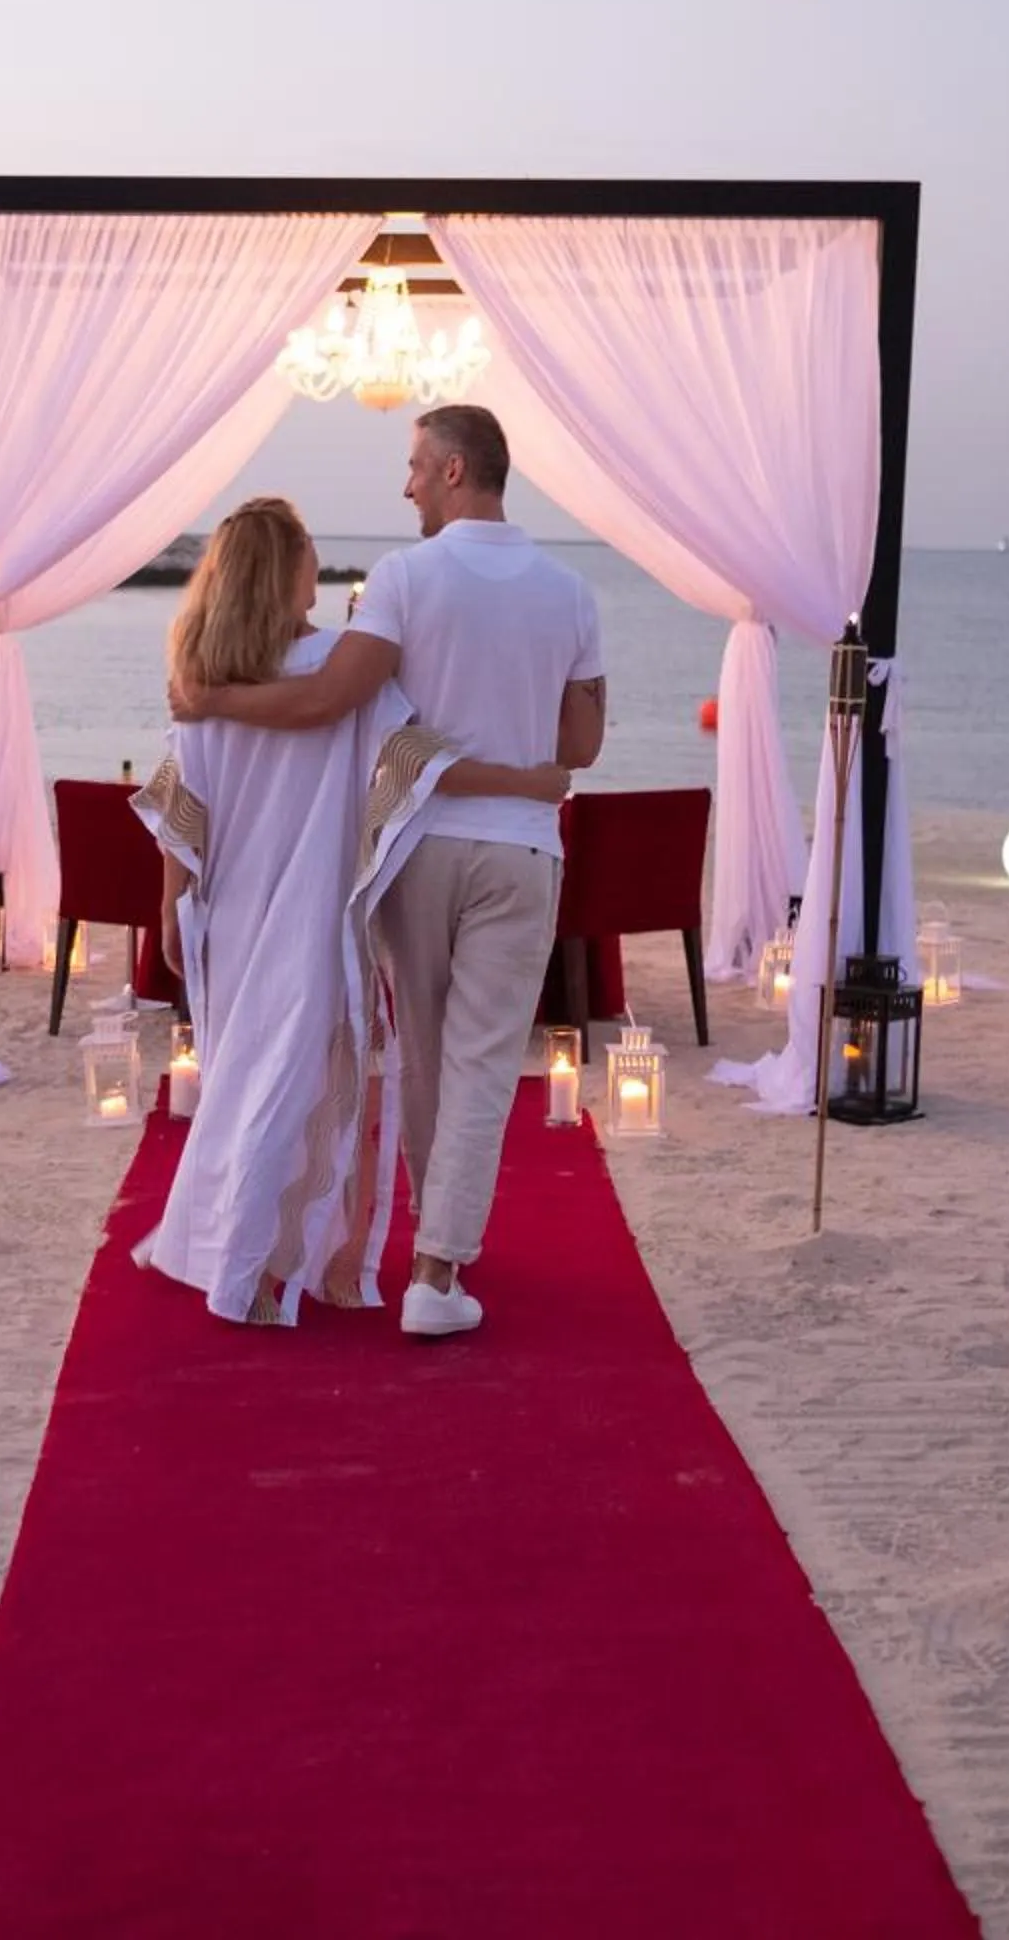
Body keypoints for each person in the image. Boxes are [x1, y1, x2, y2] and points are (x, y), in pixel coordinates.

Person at [171, 408, 604, 1338]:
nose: (405, 485)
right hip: (523, 846)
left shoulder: (405, 580)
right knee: (486, 1063)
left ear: (453, 470)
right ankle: (438, 1273)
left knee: (422, 1056)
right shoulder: (572, 591)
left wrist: (208, 696)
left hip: (416, 850)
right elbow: (581, 744)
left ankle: (422, 1251)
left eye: (414, 467)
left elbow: (334, 698)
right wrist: (530, 768)